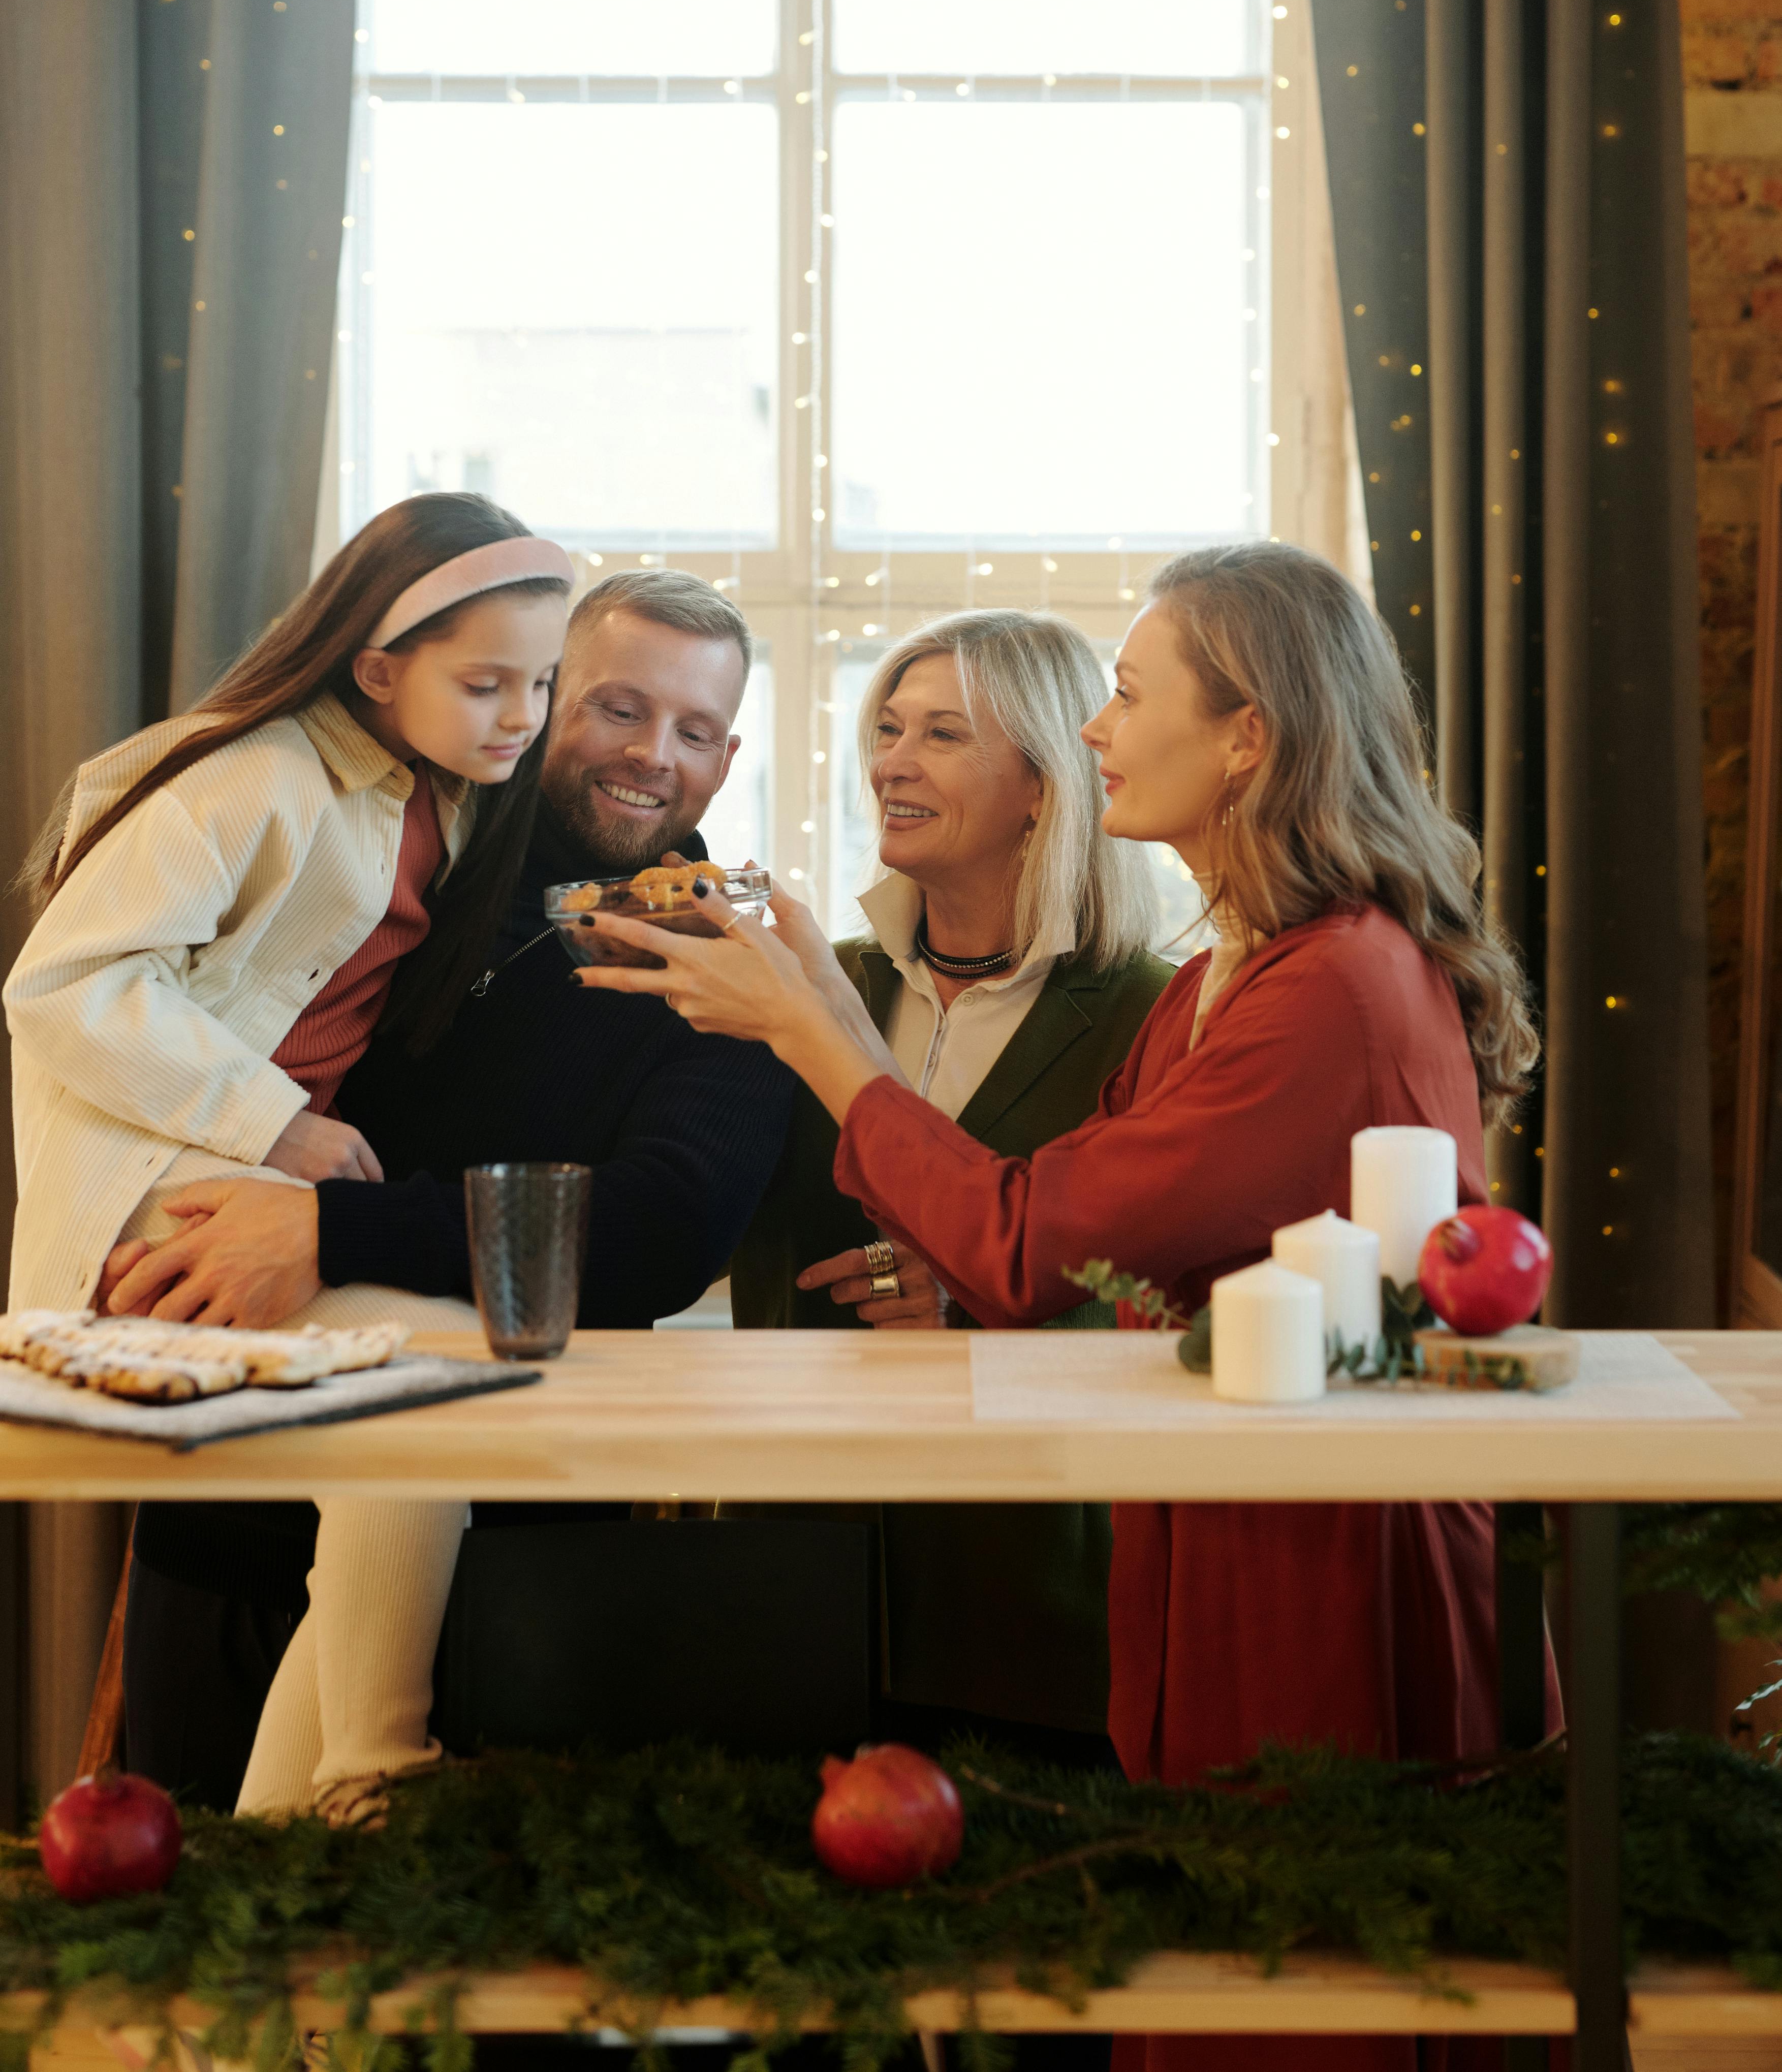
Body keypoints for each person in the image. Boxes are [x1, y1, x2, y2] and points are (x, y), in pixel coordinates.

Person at [595, 542, 1538, 2072]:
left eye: (1125, 692)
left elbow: (1030, 1237)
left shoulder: (1333, 988)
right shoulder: (1223, 977)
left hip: (1308, 1553)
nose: (1098, 729)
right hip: (1196, 1534)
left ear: (1247, 736)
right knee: (1201, 1971)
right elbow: (1135, 1274)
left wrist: (823, 1043)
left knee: (1297, 1989)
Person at [101, 566, 794, 1810]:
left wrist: (330, 1227)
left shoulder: (726, 965)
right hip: (228, 1518)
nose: (652, 756)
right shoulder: (387, 866)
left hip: (522, 1558)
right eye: (617, 708)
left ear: (728, 755)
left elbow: (658, 1232)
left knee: (443, 1969)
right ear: (539, 705)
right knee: (195, 1946)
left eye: (694, 730)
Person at [5, 493, 575, 1825]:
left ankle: (307, 1822)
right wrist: (275, 1121)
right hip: (164, 1189)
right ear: (378, 668)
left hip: (252, 1180)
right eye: (485, 681)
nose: (521, 716)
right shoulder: (256, 776)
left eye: (542, 682)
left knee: (412, 1427)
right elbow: (64, 985)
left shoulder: (452, 793)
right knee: (426, 1382)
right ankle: (377, 1766)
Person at [729, 610, 1172, 1756]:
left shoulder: (1152, 1011)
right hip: (793, 1564)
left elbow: (1185, 1289)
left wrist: (974, 1289)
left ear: (1042, 781)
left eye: (940, 733)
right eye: (885, 729)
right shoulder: (806, 986)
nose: (890, 761)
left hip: (1025, 1590)